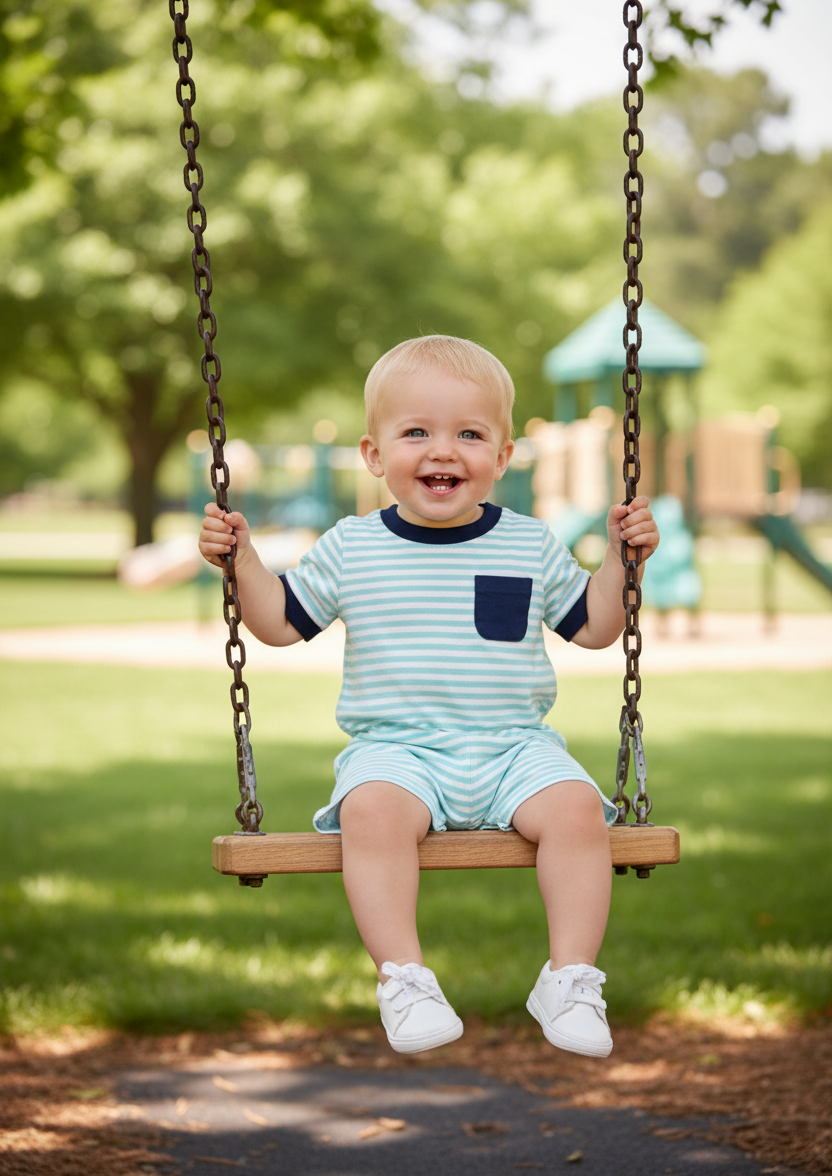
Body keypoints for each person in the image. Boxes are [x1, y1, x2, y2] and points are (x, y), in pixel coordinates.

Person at [198, 334, 659, 1060]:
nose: (443, 451)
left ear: (501, 458)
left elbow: (598, 629)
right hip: (398, 750)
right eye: (417, 432)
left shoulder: (529, 544)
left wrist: (622, 566)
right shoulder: (352, 547)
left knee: (576, 808)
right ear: (375, 455)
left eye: (469, 435)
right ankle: (405, 979)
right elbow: (279, 624)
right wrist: (244, 562)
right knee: (370, 809)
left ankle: (570, 976)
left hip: (514, 747)